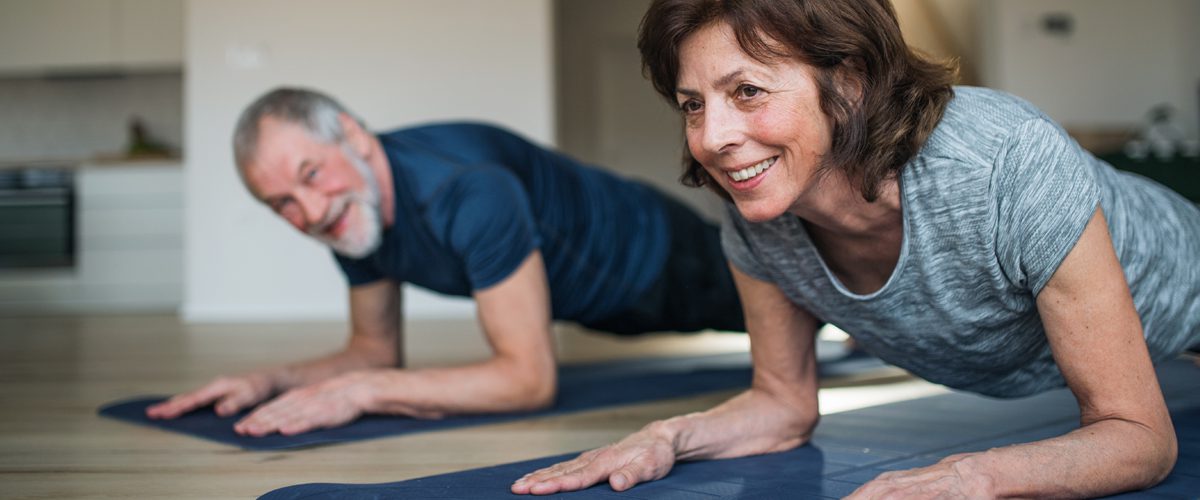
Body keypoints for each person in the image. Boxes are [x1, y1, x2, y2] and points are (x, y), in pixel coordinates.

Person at [511, 0, 1200, 498]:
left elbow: (1137, 433)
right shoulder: (758, 216)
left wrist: (971, 477)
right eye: (694, 104)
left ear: (850, 81)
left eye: (746, 91)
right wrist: (668, 436)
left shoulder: (1004, 162)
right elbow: (781, 405)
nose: (710, 137)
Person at [145, 87, 744, 436]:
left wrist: (365, 393)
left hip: (658, 256)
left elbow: (528, 380)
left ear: (352, 137)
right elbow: (373, 351)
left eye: (310, 174)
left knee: (800, 301)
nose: (310, 212)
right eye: (283, 204)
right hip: (599, 300)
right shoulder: (353, 215)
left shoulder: (465, 190)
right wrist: (266, 381)